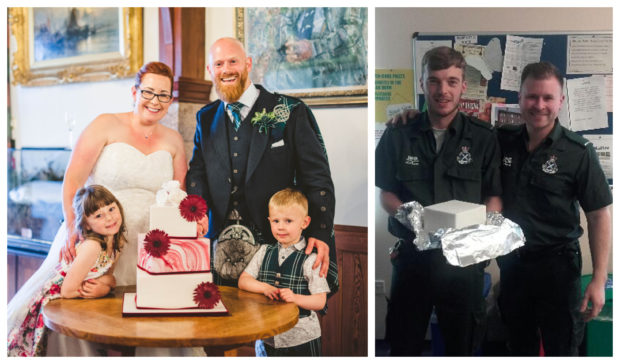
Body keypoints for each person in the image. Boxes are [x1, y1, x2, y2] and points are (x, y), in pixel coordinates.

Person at [7, 62, 204, 356]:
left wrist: (194, 219)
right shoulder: (104, 124)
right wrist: (75, 229)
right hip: (97, 238)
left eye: (164, 95)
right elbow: (72, 181)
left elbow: (180, 193)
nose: (155, 101)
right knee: (82, 313)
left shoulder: (174, 140)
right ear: (134, 91)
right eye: (149, 92)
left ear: (171, 100)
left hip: (151, 244)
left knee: (154, 318)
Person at [375, 46, 502, 356]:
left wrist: (482, 233)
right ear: (422, 84)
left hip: (463, 265)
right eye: (434, 81)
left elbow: (494, 198)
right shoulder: (398, 134)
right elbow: (386, 193)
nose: (442, 90)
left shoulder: (484, 137)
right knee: (405, 345)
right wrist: (406, 213)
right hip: (413, 262)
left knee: (462, 348)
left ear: (462, 86)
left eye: (451, 81)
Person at [186, 37, 338, 294]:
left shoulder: (290, 111)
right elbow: (197, 173)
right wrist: (196, 210)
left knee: (278, 325)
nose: (226, 69)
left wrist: (320, 231)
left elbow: (317, 177)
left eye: (233, 61)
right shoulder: (206, 117)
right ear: (211, 71)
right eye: (219, 64)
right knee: (226, 325)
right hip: (221, 247)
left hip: (277, 242)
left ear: (247, 64)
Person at [494, 62, 612, 356]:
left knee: (562, 348)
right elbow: (455, 126)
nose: (539, 105)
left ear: (561, 101)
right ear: (519, 98)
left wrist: (599, 279)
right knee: (519, 345)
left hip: (558, 269)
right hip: (513, 265)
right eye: (532, 96)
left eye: (548, 98)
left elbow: (599, 216)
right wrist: (408, 118)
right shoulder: (501, 140)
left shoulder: (579, 152)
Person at [8, 185, 126, 356]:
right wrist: (102, 290)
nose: (109, 218)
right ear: (87, 224)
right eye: (99, 215)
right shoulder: (92, 246)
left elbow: (108, 276)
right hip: (55, 299)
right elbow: (68, 290)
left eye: (111, 208)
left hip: (74, 297)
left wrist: (108, 284)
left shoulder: (117, 241)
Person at [239, 188, 330, 356]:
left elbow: (320, 301)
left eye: (288, 221)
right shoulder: (264, 251)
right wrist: (264, 288)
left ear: (304, 222)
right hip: (266, 338)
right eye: (275, 221)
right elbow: (243, 281)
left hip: (301, 340)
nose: (280, 227)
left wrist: (295, 298)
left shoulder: (311, 259)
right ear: (269, 221)